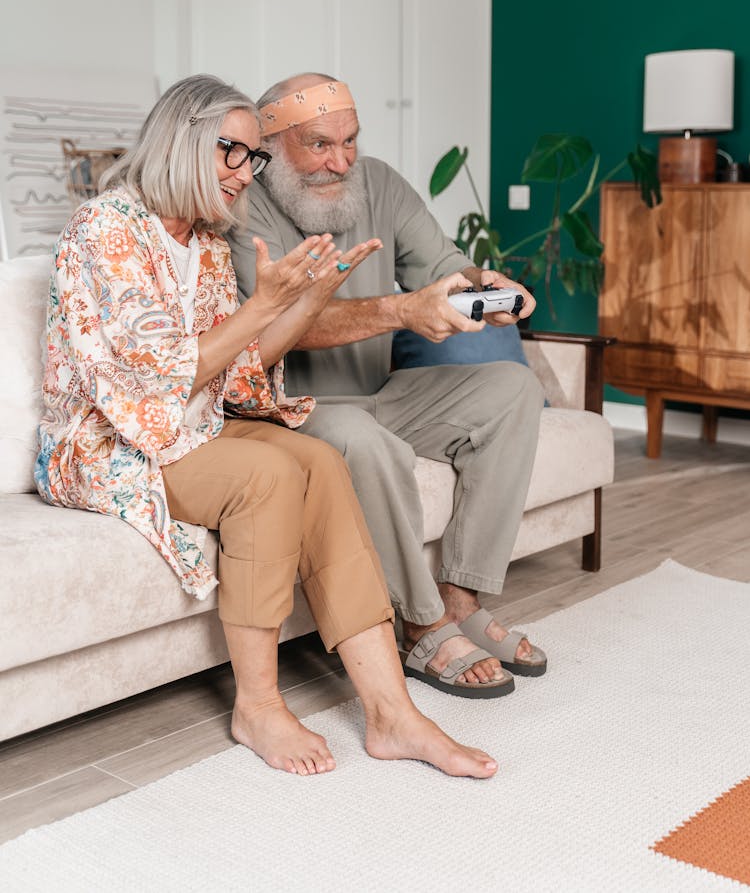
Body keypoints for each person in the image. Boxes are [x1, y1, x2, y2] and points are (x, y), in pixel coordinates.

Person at [34, 73, 501, 779]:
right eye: (234, 152)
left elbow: (239, 372)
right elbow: (157, 378)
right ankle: (256, 704)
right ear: (182, 140)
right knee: (269, 472)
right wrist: (265, 307)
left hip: (192, 423)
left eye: (252, 158)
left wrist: (309, 301)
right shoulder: (105, 230)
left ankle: (392, 713)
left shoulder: (208, 242)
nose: (244, 173)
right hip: (113, 440)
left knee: (316, 460)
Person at [229, 73, 547, 699]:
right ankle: (420, 623)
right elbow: (274, 325)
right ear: (271, 141)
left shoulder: (379, 184)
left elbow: (444, 265)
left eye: (349, 141)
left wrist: (485, 286)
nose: (340, 161)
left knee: (511, 388)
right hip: (289, 409)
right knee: (357, 435)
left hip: (381, 396)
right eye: (319, 144)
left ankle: (459, 597)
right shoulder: (242, 208)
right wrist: (401, 312)